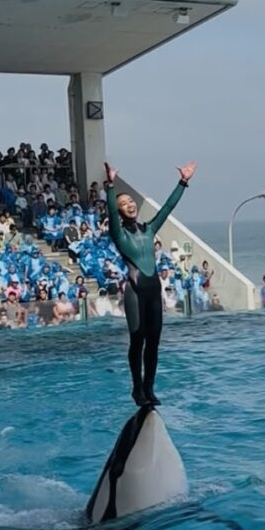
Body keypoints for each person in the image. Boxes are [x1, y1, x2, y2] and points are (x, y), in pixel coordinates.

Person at [104, 159, 196, 406]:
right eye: (123, 204)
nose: (129, 205)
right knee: (138, 340)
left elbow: (167, 208)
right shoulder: (118, 233)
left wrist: (183, 182)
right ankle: (137, 389)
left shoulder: (149, 229)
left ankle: (149, 389)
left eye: (130, 201)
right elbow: (111, 213)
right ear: (120, 210)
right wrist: (110, 187)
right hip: (135, 291)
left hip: (154, 290)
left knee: (154, 342)